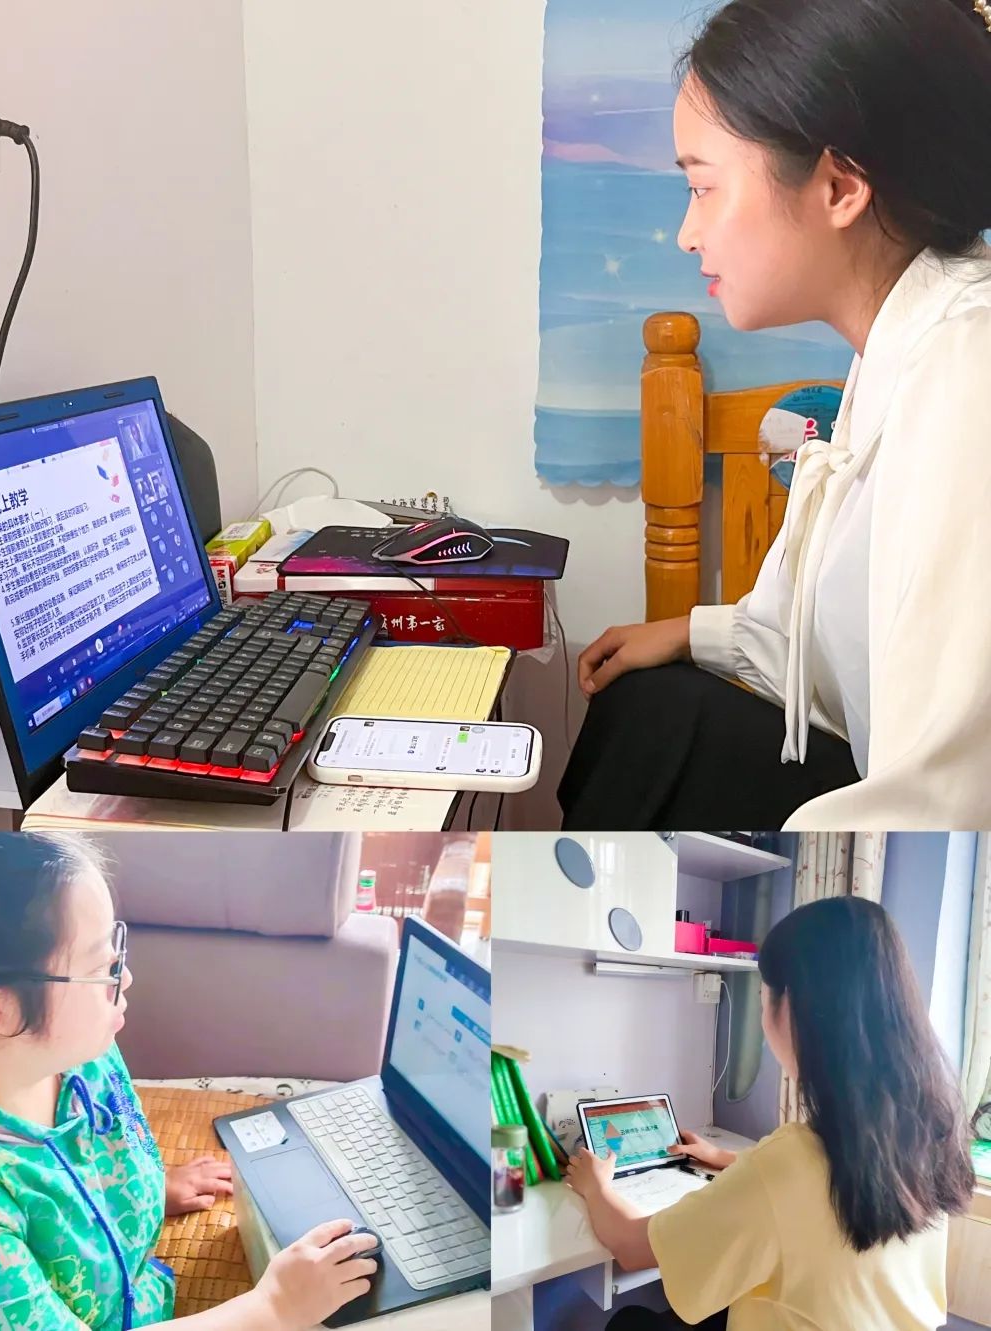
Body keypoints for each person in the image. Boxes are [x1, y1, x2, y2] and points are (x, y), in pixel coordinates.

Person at [559, 0, 991, 833]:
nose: (687, 233)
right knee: (646, 708)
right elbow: (834, 641)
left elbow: (946, 800)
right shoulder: (900, 341)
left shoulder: (966, 372)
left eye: (703, 188)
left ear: (839, 188)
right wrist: (690, 632)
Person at [0, 833, 378, 1330]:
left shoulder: (84, 1056)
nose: (126, 978)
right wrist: (275, 1307)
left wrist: (148, 1191)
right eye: (102, 968)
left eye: (117, 951)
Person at [565, 897, 975, 1329]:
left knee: (629, 1321)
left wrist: (596, 1187)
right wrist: (726, 1159)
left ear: (791, 1007)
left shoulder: (786, 1164)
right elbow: (830, 1182)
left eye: (763, 997)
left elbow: (633, 1247)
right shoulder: (929, 1131)